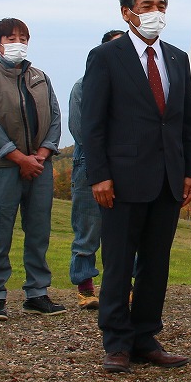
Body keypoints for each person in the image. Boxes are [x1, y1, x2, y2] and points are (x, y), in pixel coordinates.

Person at [82, 0, 191, 373]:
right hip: (121, 181)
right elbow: (92, 123)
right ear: (127, 12)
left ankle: (146, 336)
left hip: (168, 179)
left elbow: (186, 123)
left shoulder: (177, 59)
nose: (155, 12)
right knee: (118, 264)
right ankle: (116, 342)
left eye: (161, 5)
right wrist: (99, 174)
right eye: (147, 5)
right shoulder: (106, 57)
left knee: (155, 264)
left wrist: (190, 172)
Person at [0, 18, 64, 320]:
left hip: (40, 167)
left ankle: (37, 293)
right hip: (4, 168)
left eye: (23, 37)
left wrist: (39, 155)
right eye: (10, 38)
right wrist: (18, 158)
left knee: (38, 231)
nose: (18, 43)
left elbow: (54, 118)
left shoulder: (41, 78)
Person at [68, 30, 124, 310]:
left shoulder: (134, 86)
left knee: (126, 232)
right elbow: (81, 131)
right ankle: (85, 287)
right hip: (90, 166)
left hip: (128, 167)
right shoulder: (84, 86)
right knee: (88, 228)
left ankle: (124, 285)